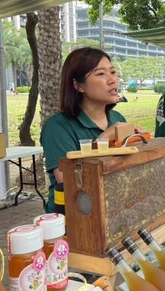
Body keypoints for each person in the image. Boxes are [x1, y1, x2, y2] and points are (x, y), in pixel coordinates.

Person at [41, 47, 139, 214]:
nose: (112, 80)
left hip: (113, 210)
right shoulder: (58, 127)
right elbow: (67, 180)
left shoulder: (118, 119)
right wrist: (103, 139)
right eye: (101, 74)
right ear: (78, 85)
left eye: (113, 72)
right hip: (75, 220)